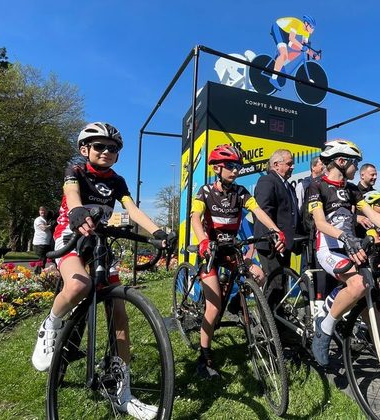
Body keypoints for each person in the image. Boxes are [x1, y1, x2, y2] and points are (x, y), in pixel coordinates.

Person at [31, 122, 166, 418]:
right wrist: (77, 210)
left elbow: (132, 209)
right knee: (79, 285)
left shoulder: (117, 180)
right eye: (99, 146)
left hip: (100, 241)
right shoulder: (76, 170)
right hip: (71, 236)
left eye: (112, 148)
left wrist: (158, 232)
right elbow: (71, 193)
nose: (106, 151)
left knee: (119, 313)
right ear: (85, 149)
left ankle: (123, 392)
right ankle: (50, 325)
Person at [191, 144, 285, 379]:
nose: (235, 170)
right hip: (211, 252)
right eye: (230, 166)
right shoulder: (204, 192)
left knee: (259, 275)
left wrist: (276, 230)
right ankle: (204, 356)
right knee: (213, 308)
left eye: (238, 166)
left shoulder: (241, 192)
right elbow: (195, 217)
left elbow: (258, 211)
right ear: (217, 168)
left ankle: (234, 303)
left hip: (231, 250)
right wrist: (203, 240)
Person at [306, 139, 380, 366]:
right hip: (329, 248)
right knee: (359, 284)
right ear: (341, 161)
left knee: (369, 288)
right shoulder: (317, 186)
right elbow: (320, 222)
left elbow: (374, 215)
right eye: (355, 163)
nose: (357, 167)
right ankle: (325, 327)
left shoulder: (351, 189)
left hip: (352, 247)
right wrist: (344, 237)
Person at [254, 149, 300, 309]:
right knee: (275, 283)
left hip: (284, 244)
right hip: (270, 244)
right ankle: (268, 322)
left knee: (282, 283)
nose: (292, 167)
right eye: (289, 163)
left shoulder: (289, 187)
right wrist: (273, 237)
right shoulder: (267, 181)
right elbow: (263, 211)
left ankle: (278, 317)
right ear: (276, 164)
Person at [269, 15, 320, 89]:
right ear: (306, 24)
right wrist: (302, 47)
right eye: (311, 27)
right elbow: (291, 38)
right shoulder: (297, 24)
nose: (312, 29)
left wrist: (314, 55)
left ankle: (281, 62)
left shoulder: (307, 33)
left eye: (314, 28)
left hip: (286, 32)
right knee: (284, 54)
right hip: (278, 28)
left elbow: (305, 47)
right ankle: (273, 79)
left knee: (299, 51)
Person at [32, 206, 53, 274]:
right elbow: (43, 228)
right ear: (39, 212)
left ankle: (40, 274)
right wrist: (51, 225)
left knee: (44, 260)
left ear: (46, 212)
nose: (43, 212)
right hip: (40, 243)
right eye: (41, 210)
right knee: (41, 260)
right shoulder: (38, 219)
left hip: (46, 243)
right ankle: (37, 274)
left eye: (44, 210)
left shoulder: (46, 220)